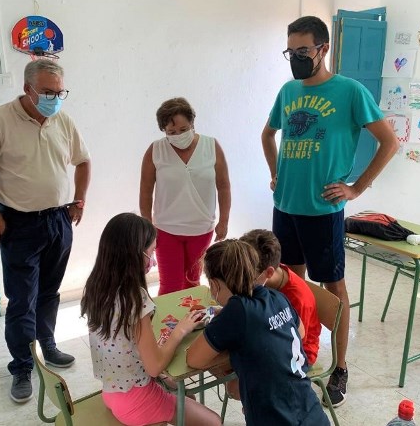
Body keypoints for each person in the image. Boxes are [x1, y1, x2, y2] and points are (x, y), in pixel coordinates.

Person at [261, 16, 399, 408]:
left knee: (332, 291)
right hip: (285, 206)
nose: (296, 59)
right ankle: (297, 354)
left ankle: (340, 368)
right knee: (289, 285)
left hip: (323, 210)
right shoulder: (288, 91)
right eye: (291, 52)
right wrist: (275, 172)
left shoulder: (350, 91)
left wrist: (356, 187)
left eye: (303, 51)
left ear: (323, 49)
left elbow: (388, 142)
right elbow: (267, 134)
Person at [0, 59, 91, 403]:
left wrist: (79, 200)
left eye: (59, 92)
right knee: (22, 299)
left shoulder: (63, 120)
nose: (54, 98)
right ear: (27, 89)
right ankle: (20, 366)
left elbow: (83, 161)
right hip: (17, 222)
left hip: (58, 220)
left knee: (49, 292)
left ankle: (48, 346)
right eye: (47, 92)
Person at [81, 213, 221, 426]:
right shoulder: (134, 298)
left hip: (112, 391)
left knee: (186, 396)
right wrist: (180, 330)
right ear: (135, 254)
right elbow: (155, 367)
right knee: (214, 422)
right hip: (135, 400)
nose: (153, 262)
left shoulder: (95, 287)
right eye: (151, 252)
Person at [186, 239, 330, 426]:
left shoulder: (237, 310)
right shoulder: (277, 296)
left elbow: (193, 359)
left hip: (274, 417)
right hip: (309, 409)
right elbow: (300, 332)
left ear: (214, 284)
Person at [140, 97, 231, 295]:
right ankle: (167, 326)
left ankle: (192, 324)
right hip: (165, 230)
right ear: (164, 131)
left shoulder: (211, 146)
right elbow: (145, 192)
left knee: (192, 283)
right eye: (171, 132)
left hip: (201, 229)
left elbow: (223, 186)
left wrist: (223, 221)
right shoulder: (156, 150)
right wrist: (146, 228)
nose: (178, 135)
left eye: (183, 130)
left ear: (192, 124)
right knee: (170, 286)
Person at [240, 229, 321, 367]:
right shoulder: (271, 274)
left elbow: (294, 341)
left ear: (268, 272)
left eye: (247, 274)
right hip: (272, 333)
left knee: (240, 371)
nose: (243, 279)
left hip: (299, 353)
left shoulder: (298, 299)